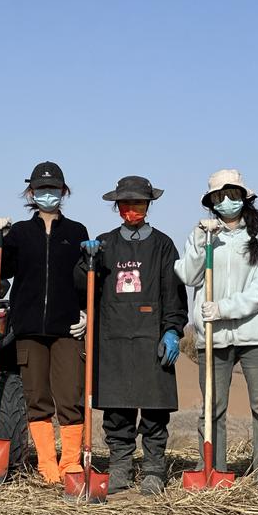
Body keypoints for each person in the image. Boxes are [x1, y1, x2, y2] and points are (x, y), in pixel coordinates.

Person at [174, 169, 258, 493]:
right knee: (211, 408)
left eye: (232, 194)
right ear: (211, 201)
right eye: (219, 196)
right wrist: (203, 241)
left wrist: (224, 308)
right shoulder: (201, 234)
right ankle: (211, 470)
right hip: (213, 336)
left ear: (244, 197)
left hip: (255, 334)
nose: (226, 201)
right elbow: (188, 274)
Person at [78, 176, 188, 495]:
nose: (132, 209)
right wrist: (86, 262)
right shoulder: (104, 244)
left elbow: (174, 294)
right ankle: (119, 468)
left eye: (138, 203)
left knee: (155, 411)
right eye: (126, 203)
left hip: (152, 339)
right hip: (112, 340)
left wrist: (172, 330)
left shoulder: (163, 245)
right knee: (117, 412)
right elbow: (81, 287)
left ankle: (153, 470)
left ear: (149, 204)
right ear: (117, 206)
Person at [0, 161, 89, 484]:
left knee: (70, 397)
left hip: (67, 329)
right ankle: (47, 465)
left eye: (54, 188)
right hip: (29, 328)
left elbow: (84, 279)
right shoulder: (19, 232)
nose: (48, 194)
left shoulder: (77, 232)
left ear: (64, 191)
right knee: (37, 398)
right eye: (42, 189)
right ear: (31, 192)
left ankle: (70, 463)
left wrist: (86, 312)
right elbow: (1, 270)